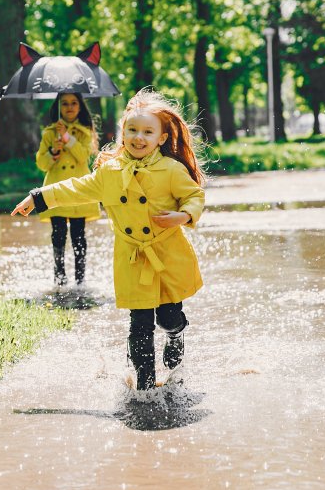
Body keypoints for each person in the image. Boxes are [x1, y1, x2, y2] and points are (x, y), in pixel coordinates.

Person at [12, 89, 207, 390]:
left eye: (147, 132)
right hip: (132, 257)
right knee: (139, 324)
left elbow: (194, 195)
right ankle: (144, 389)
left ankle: (176, 334)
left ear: (162, 138)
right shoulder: (110, 171)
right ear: (122, 133)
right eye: (132, 130)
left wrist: (182, 216)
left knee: (169, 316)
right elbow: (76, 187)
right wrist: (38, 197)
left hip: (166, 255)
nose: (138, 138)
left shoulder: (170, 169)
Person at [34, 92, 101, 286]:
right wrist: (53, 152)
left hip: (78, 189)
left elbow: (82, 157)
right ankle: (59, 277)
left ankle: (80, 279)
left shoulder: (85, 132)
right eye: (65, 104)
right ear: (58, 107)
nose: (69, 107)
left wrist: (67, 138)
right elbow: (41, 163)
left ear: (80, 107)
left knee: (79, 234)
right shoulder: (49, 133)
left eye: (74, 103)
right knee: (58, 233)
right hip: (54, 187)